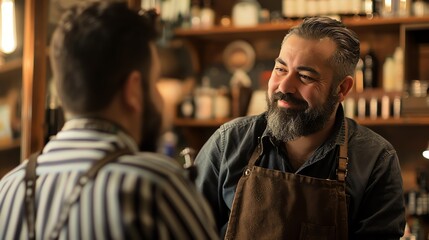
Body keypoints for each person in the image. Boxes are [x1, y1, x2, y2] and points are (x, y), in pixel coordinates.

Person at [0, 1, 218, 239]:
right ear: (133, 90)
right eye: (155, 82)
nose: (159, 97)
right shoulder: (154, 187)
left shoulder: (8, 189)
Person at [195, 16, 406, 239]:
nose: (284, 87)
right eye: (280, 69)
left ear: (342, 89)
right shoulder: (228, 143)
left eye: (305, 76)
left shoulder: (376, 160)